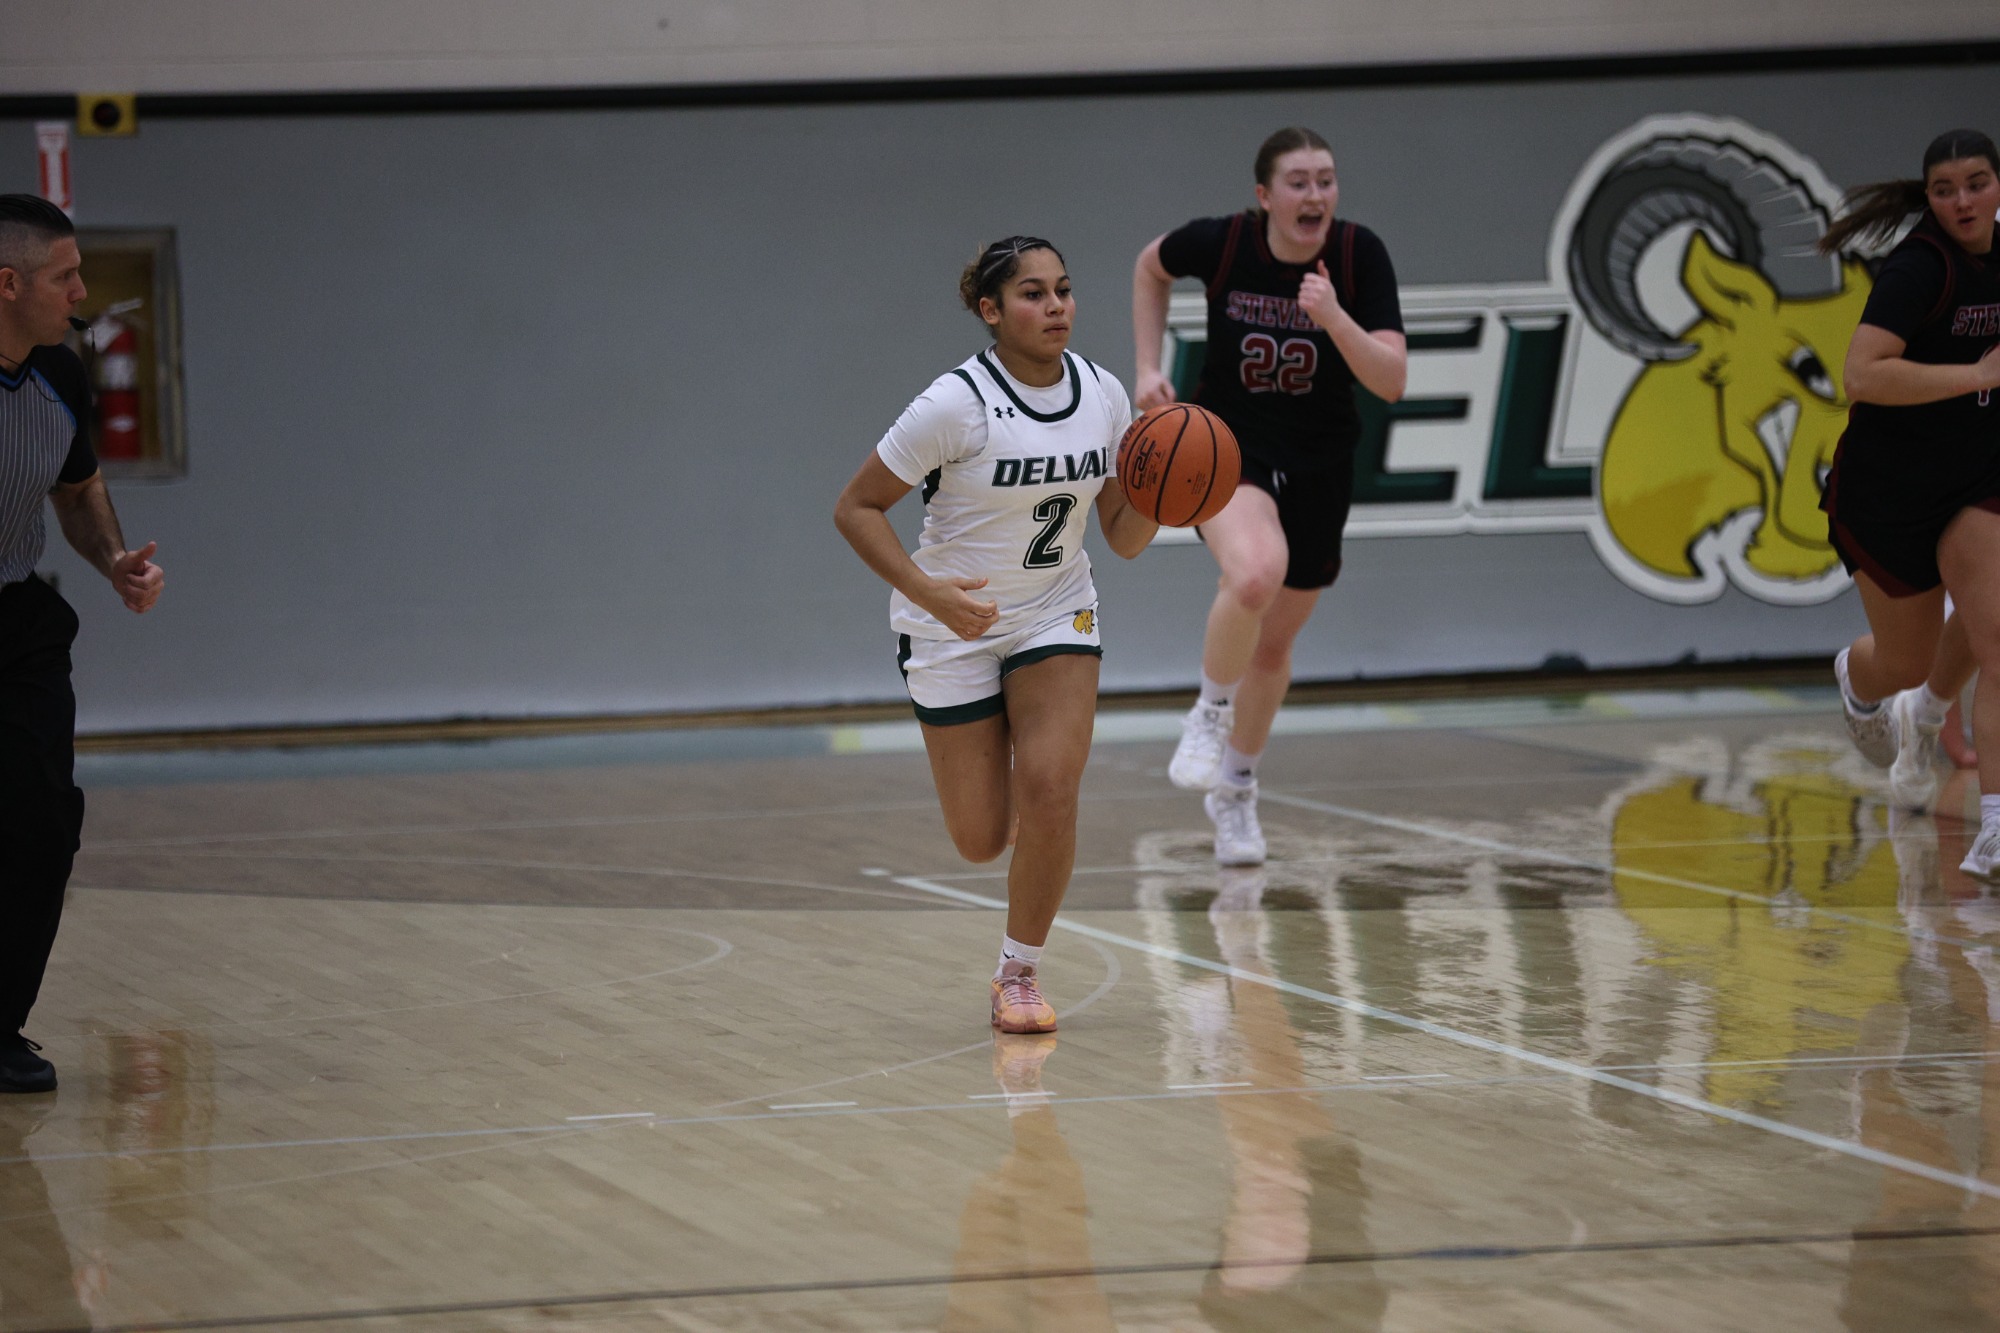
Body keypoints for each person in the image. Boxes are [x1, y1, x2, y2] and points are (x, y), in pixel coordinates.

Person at [833, 237, 1156, 1032]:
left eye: (1065, 291)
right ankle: (1010, 799)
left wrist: (1167, 486)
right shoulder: (955, 403)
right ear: (991, 309)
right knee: (980, 838)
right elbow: (855, 507)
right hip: (952, 623)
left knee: (1053, 785)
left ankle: (1019, 972)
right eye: (1034, 294)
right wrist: (927, 592)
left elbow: (1121, 534)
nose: (1056, 308)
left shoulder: (1103, 392)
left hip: (1055, 609)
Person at [1131, 127, 1406, 866]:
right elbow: (1149, 266)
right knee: (1254, 572)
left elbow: (1391, 379)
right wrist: (1148, 366)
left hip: (1321, 462)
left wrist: (1334, 316)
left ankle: (1237, 789)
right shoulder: (1224, 245)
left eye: (1326, 179)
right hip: (1229, 445)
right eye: (1298, 181)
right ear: (1264, 196)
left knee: (1274, 643)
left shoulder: (1355, 255)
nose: (1314, 193)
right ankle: (1207, 714)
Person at [0, 193, 163, 1093]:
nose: (83, 291)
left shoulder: (59, 374)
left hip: (16, 622)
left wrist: (112, 561)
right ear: (8, 282)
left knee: (41, 821)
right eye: (66, 277)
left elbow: (76, 492)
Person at [1816, 131, 2000, 865]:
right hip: (1887, 489)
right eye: (1945, 189)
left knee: (1999, 637)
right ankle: (1867, 687)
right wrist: (1976, 375)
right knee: (1906, 657)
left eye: (1977, 183)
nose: (1962, 201)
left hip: (1977, 476)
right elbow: (1861, 375)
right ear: (1928, 198)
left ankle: (1993, 827)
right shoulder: (1919, 269)